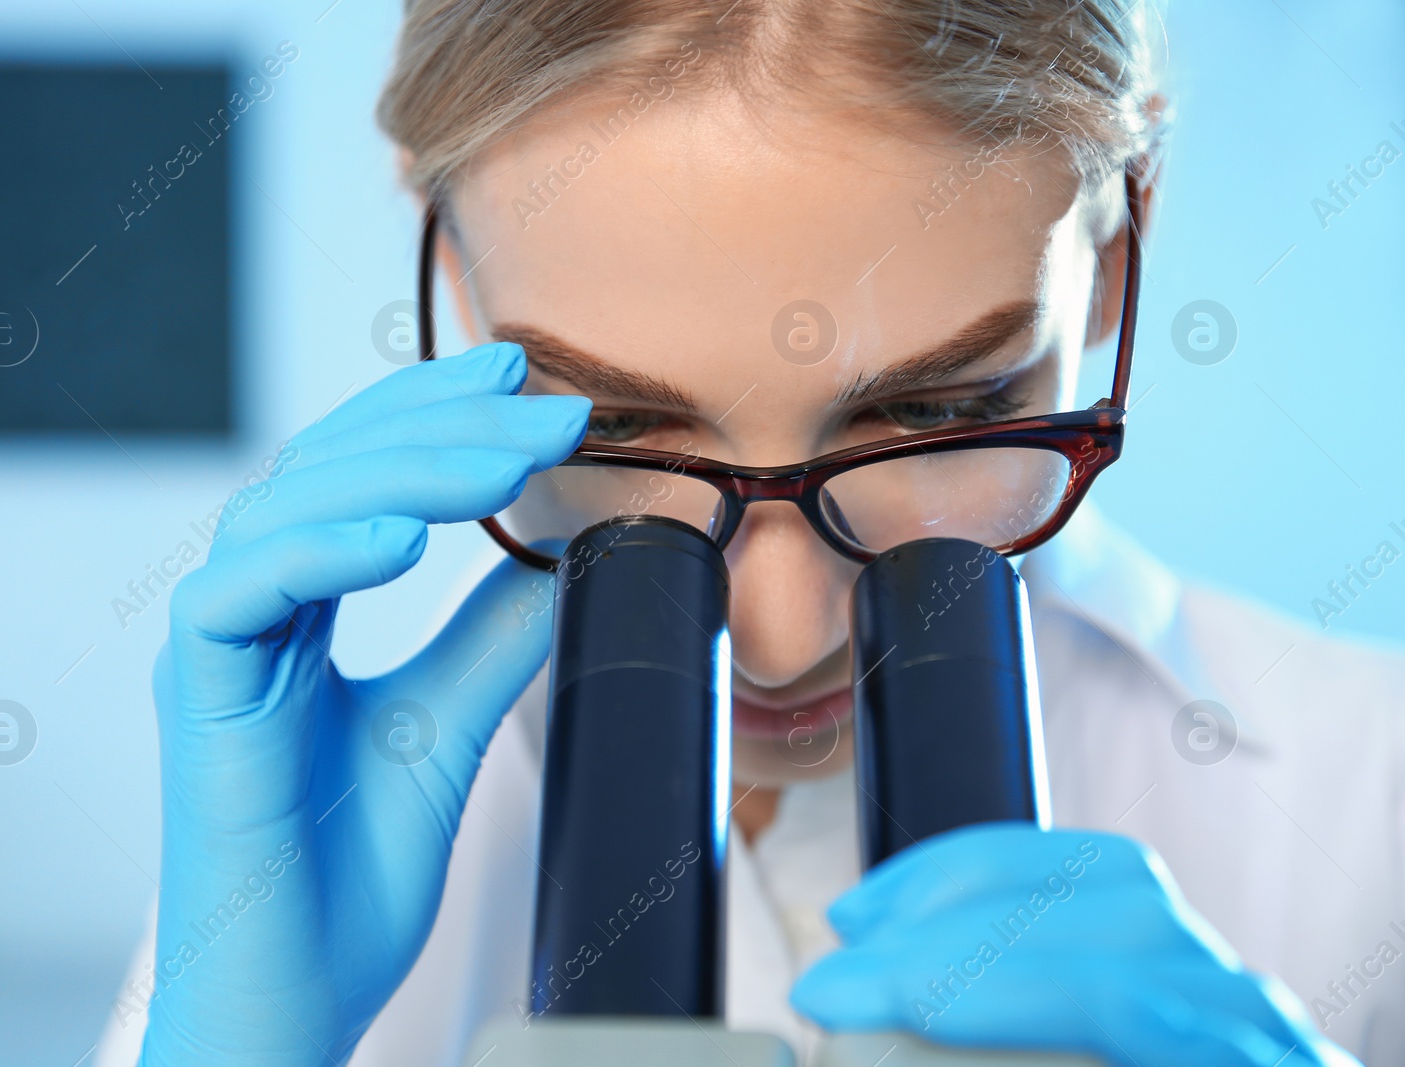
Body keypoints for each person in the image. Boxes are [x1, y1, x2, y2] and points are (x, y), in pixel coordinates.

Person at [96, 3, 1404, 1065]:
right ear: (456, 282)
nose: (778, 643)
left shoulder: (1372, 799)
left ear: (1118, 260)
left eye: (938, 412)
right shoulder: (302, 847)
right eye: (615, 428)